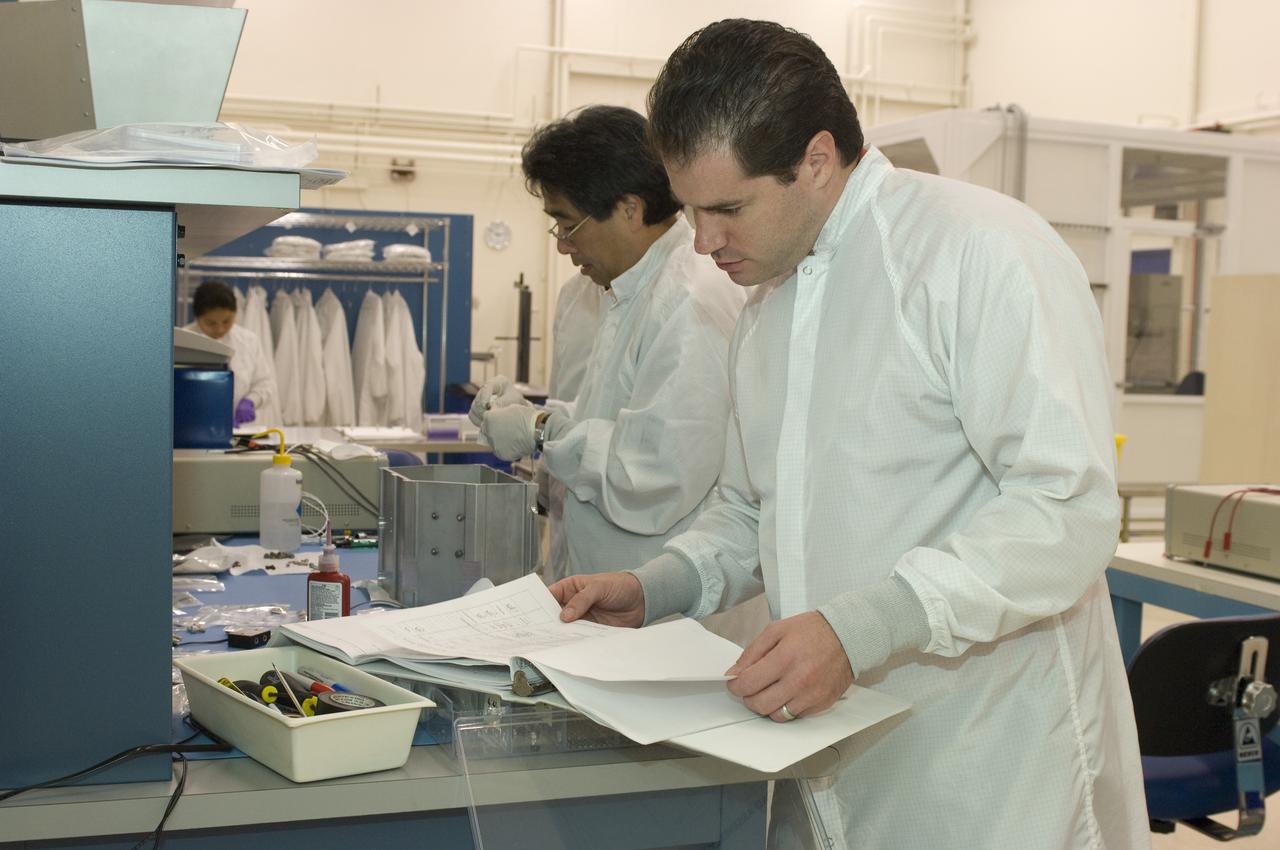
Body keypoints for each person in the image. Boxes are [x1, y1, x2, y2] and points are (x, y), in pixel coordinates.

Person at [550, 19, 1148, 850]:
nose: (704, 241)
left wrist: (866, 626)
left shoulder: (977, 253)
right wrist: (659, 584)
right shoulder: (770, 303)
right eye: (690, 211)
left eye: (727, 209)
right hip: (826, 748)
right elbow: (753, 510)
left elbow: (1067, 509)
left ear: (818, 161)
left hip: (987, 760)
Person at [470, 105, 748, 586]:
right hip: (611, 591)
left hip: (664, 609)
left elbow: (652, 475)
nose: (561, 245)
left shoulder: (688, 300)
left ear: (630, 209)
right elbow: (617, 418)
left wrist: (541, 430)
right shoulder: (626, 290)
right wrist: (535, 413)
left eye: (569, 224)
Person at [185, 279, 279, 428]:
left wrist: (251, 401)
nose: (220, 329)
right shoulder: (182, 342)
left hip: (240, 431)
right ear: (197, 317)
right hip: (192, 427)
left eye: (227, 321)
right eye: (211, 323)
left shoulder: (248, 341)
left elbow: (265, 383)